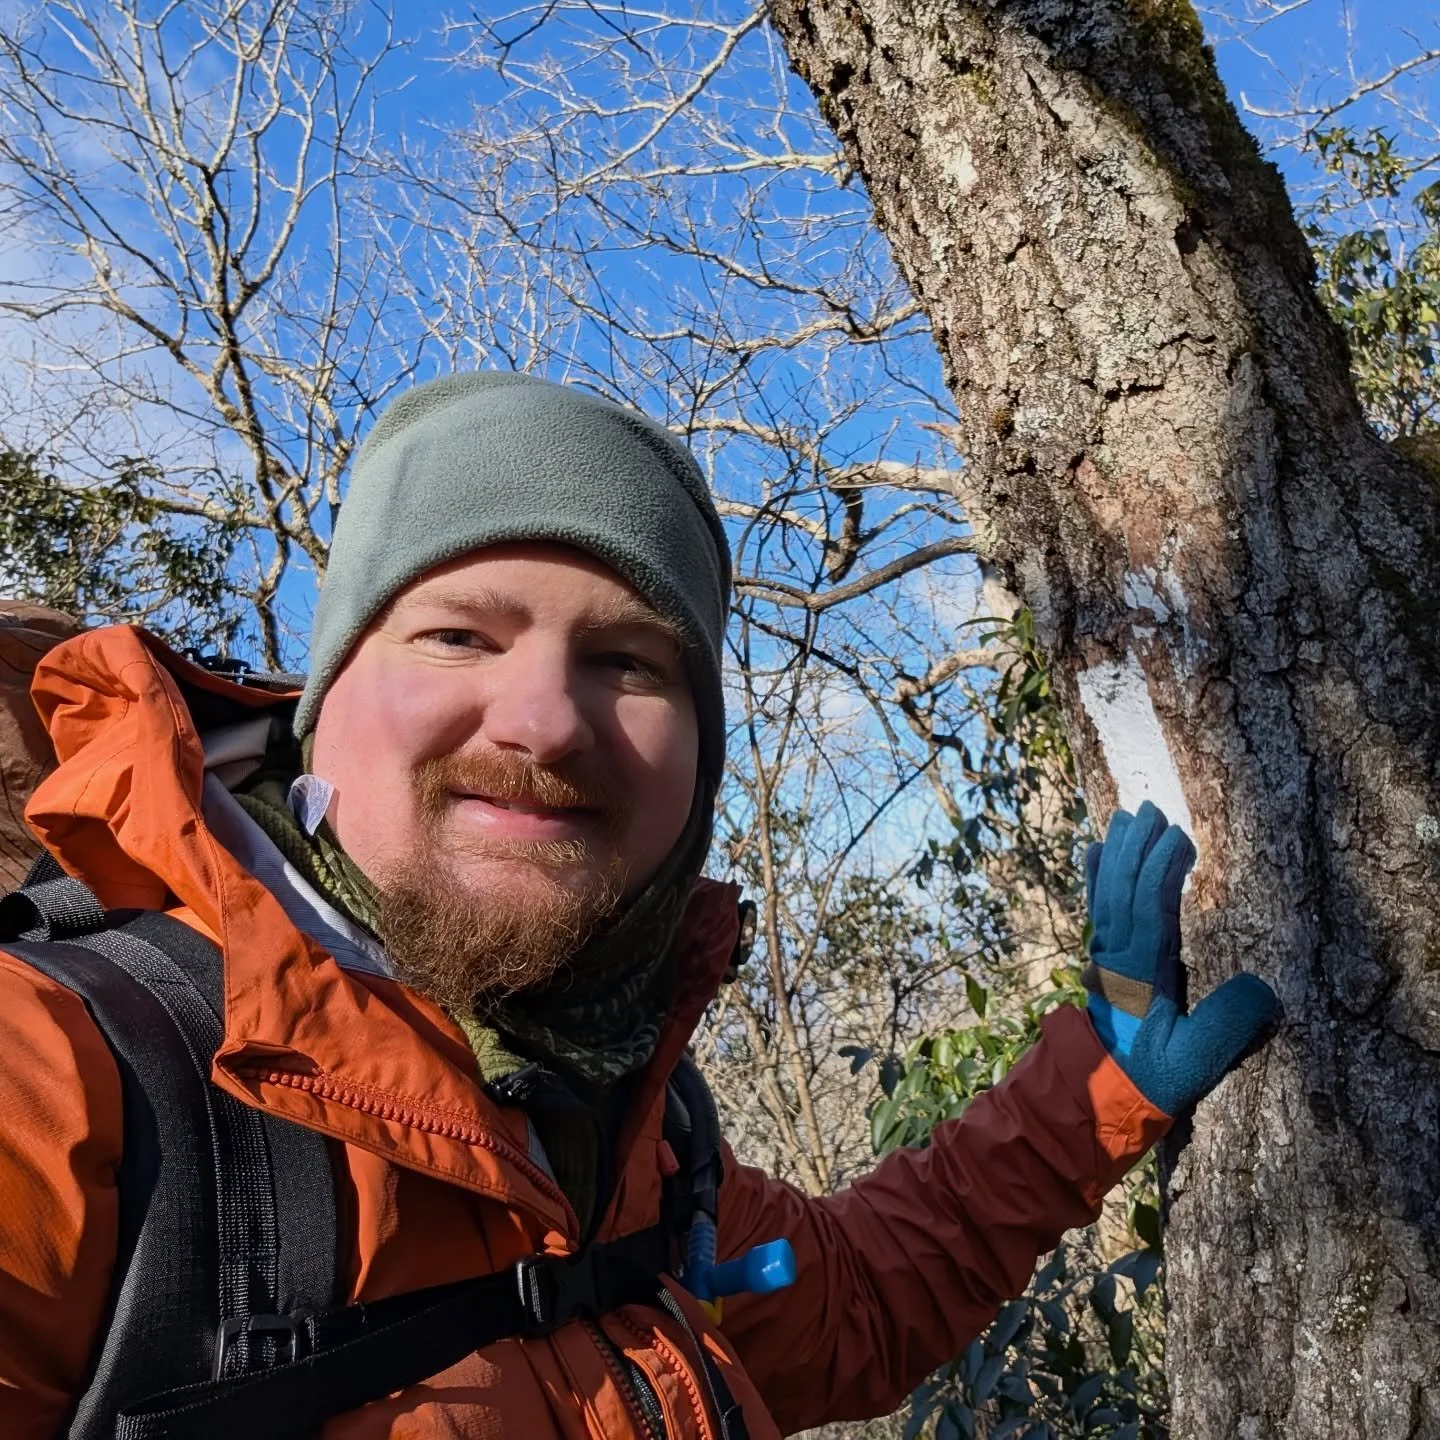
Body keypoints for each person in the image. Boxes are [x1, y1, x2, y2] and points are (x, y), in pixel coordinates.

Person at [0, 372, 1278, 1438]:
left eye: (627, 662)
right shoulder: (58, 1086)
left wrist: (1094, 1078)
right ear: (325, 699)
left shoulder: (624, 1125)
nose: (546, 722)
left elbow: (852, 1305)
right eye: (458, 636)